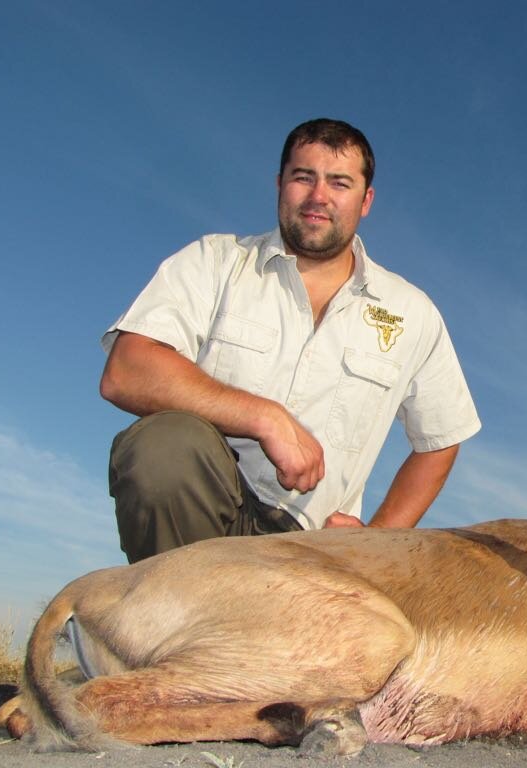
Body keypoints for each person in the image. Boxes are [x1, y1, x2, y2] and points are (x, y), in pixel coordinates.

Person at [99, 118, 480, 563]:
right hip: (201, 527)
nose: (319, 197)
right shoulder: (216, 261)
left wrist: (378, 540)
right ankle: (179, 619)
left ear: (366, 200)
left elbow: (441, 437)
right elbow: (126, 370)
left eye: (340, 183)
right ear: (280, 184)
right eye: (304, 177)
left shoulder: (413, 313)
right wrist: (266, 418)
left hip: (313, 551)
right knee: (162, 447)